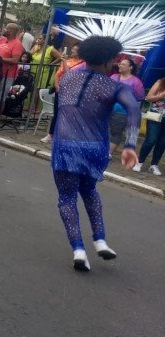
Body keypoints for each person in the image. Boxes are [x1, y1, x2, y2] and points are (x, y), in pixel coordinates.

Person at [50, 36, 142, 271]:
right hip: (95, 149)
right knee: (89, 190)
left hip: (65, 147)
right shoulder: (115, 86)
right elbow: (133, 108)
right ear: (111, 59)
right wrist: (130, 145)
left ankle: (78, 249)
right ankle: (100, 240)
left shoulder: (68, 76)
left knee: (67, 198)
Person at [41, 44, 82, 143]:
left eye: (75, 50)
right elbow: (58, 74)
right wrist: (56, 86)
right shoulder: (67, 61)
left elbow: (69, 74)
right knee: (57, 113)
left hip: (71, 92)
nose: (72, 51)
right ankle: (50, 134)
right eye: (72, 49)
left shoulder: (81, 64)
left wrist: (63, 61)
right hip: (61, 90)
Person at [0, 23, 25, 121]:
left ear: (12, 31)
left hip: (8, 74)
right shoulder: (1, 40)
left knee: (1, 97)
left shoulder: (17, 44)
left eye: (6, 29)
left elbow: (15, 60)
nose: (4, 30)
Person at [133, 75, 165, 175]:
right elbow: (148, 97)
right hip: (156, 115)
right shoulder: (160, 82)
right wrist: (161, 95)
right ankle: (139, 162)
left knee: (162, 143)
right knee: (151, 140)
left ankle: (154, 165)